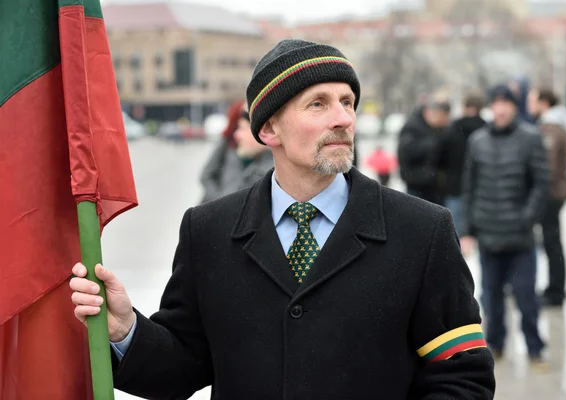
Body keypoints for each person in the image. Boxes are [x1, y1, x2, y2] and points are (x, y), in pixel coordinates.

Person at [70, 39, 495, 399]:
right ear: (269, 129)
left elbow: (461, 376)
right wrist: (126, 330)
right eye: (318, 104)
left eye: (347, 102)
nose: (343, 118)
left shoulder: (422, 230)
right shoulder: (208, 230)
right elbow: (185, 365)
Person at [461, 84, 550, 367]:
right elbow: (469, 187)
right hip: (489, 235)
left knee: (526, 297)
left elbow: (541, 184)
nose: (500, 109)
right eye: (495, 103)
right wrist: (468, 229)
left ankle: (535, 348)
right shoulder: (477, 141)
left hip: (520, 236)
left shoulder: (531, 138)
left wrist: (527, 217)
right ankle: (495, 346)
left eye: (505, 103)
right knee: (491, 298)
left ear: (514, 107)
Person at [527, 88, 566, 306]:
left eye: (532, 100)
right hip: (554, 192)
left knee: (552, 242)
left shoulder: (551, 128)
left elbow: (549, 167)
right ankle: (554, 288)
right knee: (551, 240)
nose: (529, 104)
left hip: (551, 194)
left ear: (543, 102)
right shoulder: (552, 125)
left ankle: (556, 291)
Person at [442, 92, 487, 235]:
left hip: (454, 185)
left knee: (453, 234)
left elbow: (440, 156)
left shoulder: (452, 128)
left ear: (464, 107)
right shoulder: (487, 129)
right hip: (481, 188)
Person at [397, 96, 451, 206]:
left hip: (434, 186)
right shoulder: (413, 127)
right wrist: (434, 144)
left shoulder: (437, 128)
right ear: (429, 112)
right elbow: (407, 152)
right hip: (417, 185)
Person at [198, 100, 246, 204]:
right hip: (219, 205)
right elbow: (206, 175)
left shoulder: (264, 150)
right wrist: (219, 200)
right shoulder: (227, 144)